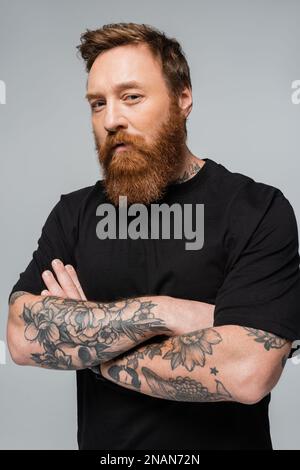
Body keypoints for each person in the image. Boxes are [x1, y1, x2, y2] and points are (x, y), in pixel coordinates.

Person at [7, 22, 300, 450]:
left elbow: (247, 373)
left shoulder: (256, 210)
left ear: (183, 98)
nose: (110, 120)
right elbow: (21, 337)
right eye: (97, 103)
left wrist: (88, 342)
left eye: (131, 97)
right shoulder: (73, 214)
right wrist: (166, 313)